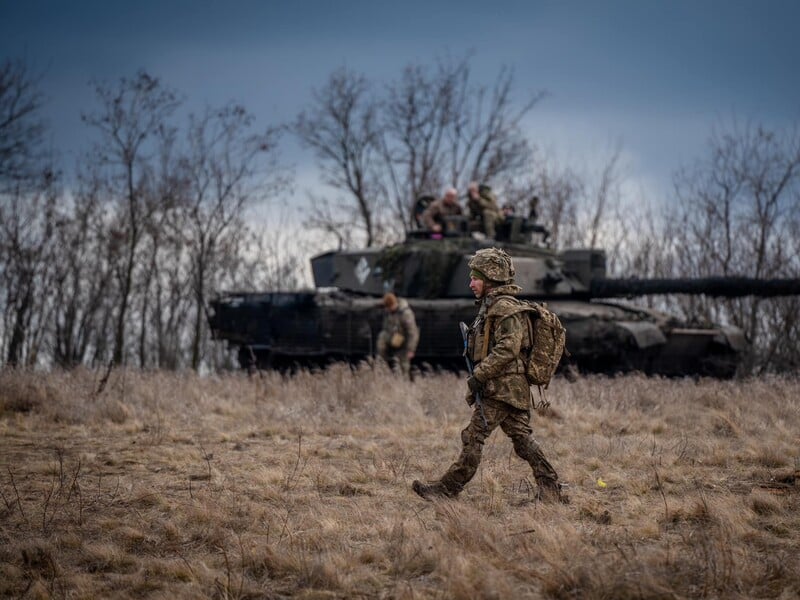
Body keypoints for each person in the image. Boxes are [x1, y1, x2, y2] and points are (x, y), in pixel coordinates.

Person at [412, 247, 566, 502]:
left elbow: (508, 348)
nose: (471, 283)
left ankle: (447, 490)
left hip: (502, 387)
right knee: (522, 440)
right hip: (508, 386)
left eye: (475, 277)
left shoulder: (504, 309)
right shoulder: (492, 306)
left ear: (491, 278)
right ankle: (550, 488)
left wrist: (479, 376)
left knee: (473, 436)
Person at [377, 292, 419, 379]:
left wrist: (411, 349)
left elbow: (412, 333)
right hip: (393, 340)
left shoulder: (405, 314)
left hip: (404, 343)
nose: (387, 310)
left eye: (389, 307)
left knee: (404, 367)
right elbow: (386, 328)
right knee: (382, 337)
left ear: (393, 304)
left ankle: (404, 386)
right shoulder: (389, 313)